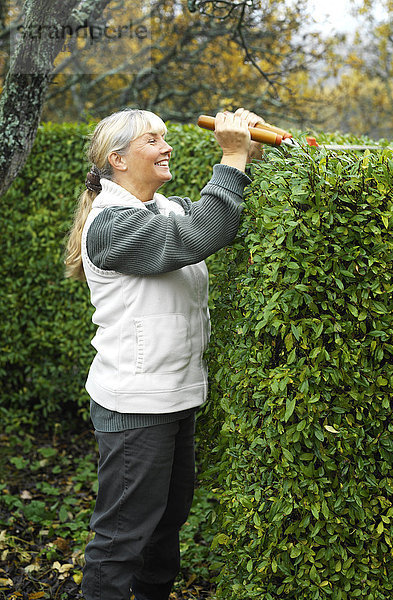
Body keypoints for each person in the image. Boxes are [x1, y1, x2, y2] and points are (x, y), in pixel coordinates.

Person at [64, 107, 264, 600]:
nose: (166, 146)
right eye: (153, 140)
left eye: (165, 137)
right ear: (118, 159)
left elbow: (220, 217)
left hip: (174, 397)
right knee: (122, 537)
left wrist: (248, 156)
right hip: (136, 404)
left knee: (166, 524)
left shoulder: (166, 208)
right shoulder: (110, 226)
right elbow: (200, 235)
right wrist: (230, 156)